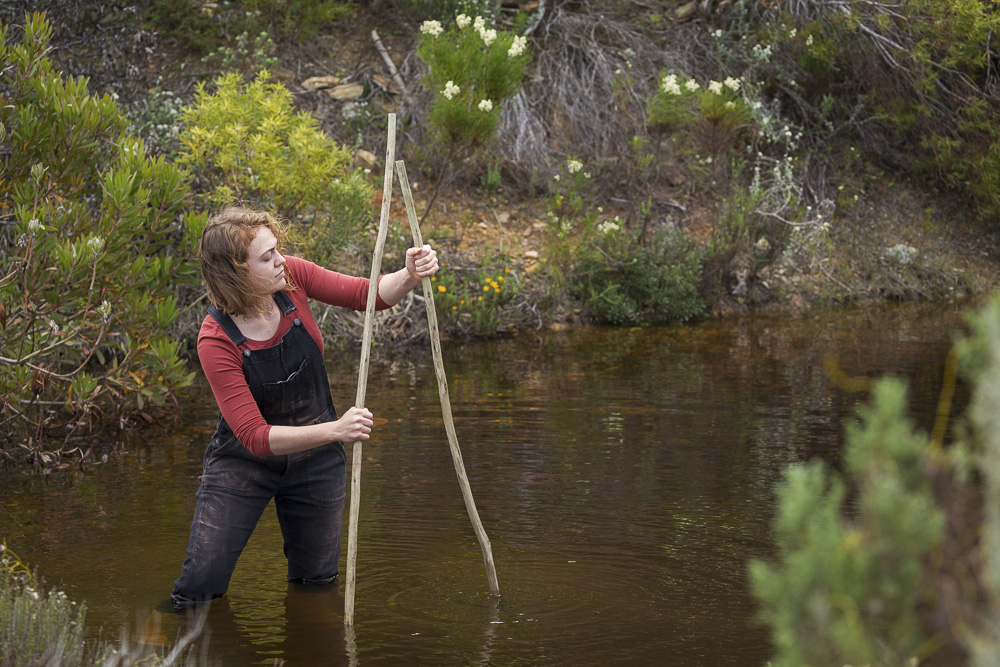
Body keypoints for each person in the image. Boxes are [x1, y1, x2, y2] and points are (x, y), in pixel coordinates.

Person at [171, 205, 439, 608]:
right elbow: (255, 437)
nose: (281, 261)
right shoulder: (216, 339)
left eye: (278, 249)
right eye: (267, 257)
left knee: (316, 583)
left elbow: (365, 295)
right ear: (235, 273)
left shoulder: (292, 277)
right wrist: (336, 430)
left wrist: (409, 274)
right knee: (198, 588)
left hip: (316, 462)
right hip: (244, 463)